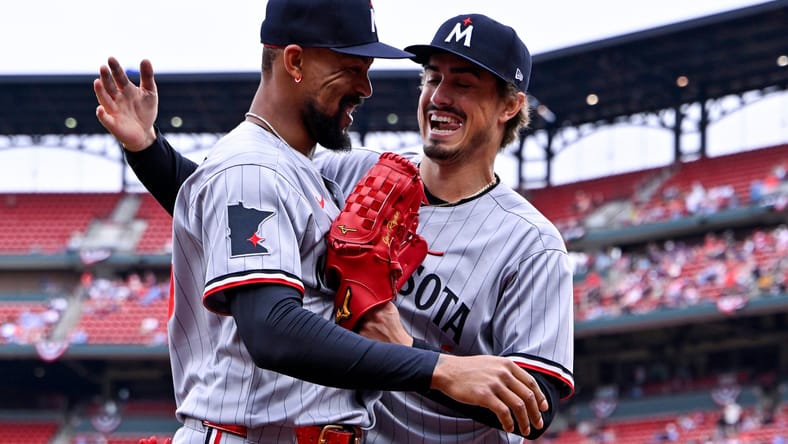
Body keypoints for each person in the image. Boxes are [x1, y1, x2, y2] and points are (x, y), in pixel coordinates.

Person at [94, 9, 572, 444]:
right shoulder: (354, 174)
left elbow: (538, 405)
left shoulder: (531, 245)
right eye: (432, 78)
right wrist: (150, 153)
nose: (439, 96)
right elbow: (231, 206)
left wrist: (413, 352)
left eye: (463, 84)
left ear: (510, 106)